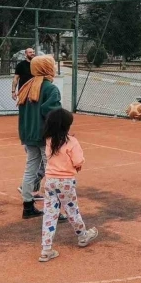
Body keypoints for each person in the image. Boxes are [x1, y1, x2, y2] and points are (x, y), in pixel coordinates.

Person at [39, 108, 98, 262]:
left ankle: (46, 249)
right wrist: (78, 166)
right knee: (72, 210)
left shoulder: (49, 140)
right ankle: (82, 236)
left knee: (50, 215)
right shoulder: (72, 141)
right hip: (66, 181)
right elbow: (78, 161)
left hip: (50, 181)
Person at [17, 55, 63, 219]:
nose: (55, 68)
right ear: (46, 68)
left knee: (30, 170)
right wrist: (61, 133)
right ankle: (54, 209)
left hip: (29, 135)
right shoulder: (50, 89)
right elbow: (53, 114)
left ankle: (28, 206)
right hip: (45, 136)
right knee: (52, 172)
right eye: (53, 65)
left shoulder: (26, 86)